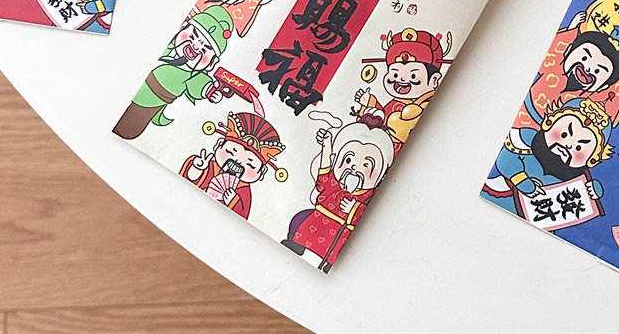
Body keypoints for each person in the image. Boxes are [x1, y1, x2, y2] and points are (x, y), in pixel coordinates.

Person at [283, 122, 394, 272]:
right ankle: (296, 245)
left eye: (366, 165)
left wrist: (353, 208)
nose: (354, 167)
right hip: (315, 221)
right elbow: (324, 174)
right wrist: (327, 146)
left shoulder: (367, 196)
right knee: (299, 220)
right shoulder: (333, 183)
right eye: (348, 160)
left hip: (338, 233)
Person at [112, 8, 234, 139]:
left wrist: (210, 91)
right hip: (129, 81)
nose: (196, 46)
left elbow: (199, 83)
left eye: (206, 48)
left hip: (156, 99)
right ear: (182, 28)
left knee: (129, 127)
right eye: (192, 36)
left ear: (211, 63)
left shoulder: (192, 74)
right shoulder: (169, 47)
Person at [353, 27, 450, 150]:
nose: (402, 79)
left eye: (413, 75)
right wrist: (369, 102)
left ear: (434, 80)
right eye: (395, 74)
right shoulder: (395, 102)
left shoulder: (424, 104)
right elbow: (382, 117)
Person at [179, 111, 285, 220]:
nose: (238, 161)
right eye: (230, 152)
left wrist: (233, 201)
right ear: (219, 144)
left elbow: (242, 217)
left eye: (250, 164)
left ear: (261, 172)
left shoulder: (243, 190)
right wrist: (197, 168)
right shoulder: (209, 167)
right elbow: (187, 181)